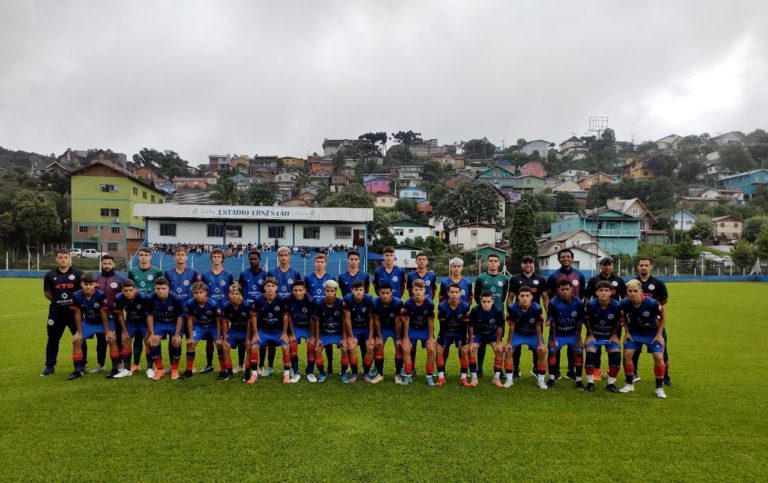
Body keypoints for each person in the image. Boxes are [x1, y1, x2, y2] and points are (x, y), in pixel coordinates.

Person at [67, 272, 123, 380]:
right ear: (81, 284)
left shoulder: (100, 295)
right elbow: (78, 314)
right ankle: (77, 370)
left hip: (104, 322)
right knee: (76, 341)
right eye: (86, 284)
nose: (88, 287)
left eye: (91, 284)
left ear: (95, 285)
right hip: (89, 322)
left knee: (111, 339)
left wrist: (107, 332)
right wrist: (79, 332)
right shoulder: (76, 295)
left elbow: (104, 313)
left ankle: (115, 369)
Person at [619, 279, 668, 398]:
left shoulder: (652, 303)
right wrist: (627, 331)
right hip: (635, 333)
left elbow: (663, 316)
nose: (632, 293)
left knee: (659, 357)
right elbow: (622, 316)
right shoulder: (625, 303)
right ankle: (629, 384)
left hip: (652, 334)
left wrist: (659, 334)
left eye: (635, 291)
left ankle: (659, 388)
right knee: (627, 354)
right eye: (630, 291)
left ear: (641, 291)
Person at [41, 249, 85, 377]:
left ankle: (81, 365)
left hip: (74, 313)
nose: (63, 260)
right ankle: (49, 366)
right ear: (56, 259)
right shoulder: (49, 275)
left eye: (66, 257)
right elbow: (47, 293)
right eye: (60, 257)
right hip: (56, 313)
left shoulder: (78, 274)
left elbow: (84, 291)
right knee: (53, 340)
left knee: (80, 338)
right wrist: (58, 301)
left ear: (70, 258)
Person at [582, 256, 626, 381]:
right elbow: (587, 296)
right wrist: (586, 309)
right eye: (604, 264)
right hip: (596, 315)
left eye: (609, 264)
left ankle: (610, 371)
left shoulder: (619, 280)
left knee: (613, 344)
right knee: (595, 346)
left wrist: (623, 313)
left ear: (613, 266)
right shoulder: (593, 280)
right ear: (600, 266)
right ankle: (596, 371)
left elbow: (624, 298)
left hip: (613, 318)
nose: (607, 267)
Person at [545, 248, 586, 380]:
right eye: (563, 257)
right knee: (555, 344)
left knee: (573, 346)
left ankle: (571, 371)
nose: (566, 259)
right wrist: (550, 314)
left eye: (568, 256)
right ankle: (555, 372)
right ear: (559, 259)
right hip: (558, 313)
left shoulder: (579, 275)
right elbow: (550, 296)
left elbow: (583, 295)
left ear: (572, 258)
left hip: (574, 313)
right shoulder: (553, 276)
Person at [508, 255, 549, 380]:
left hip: (535, 316)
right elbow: (510, 297)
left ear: (533, 265)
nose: (528, 265)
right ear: (522, 265)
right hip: (519, 315)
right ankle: (515, 370)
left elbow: (545, 298)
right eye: (525, 263)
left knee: (537, 344)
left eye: (530, 263)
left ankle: (537, 369)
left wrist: (548, 315)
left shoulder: (540, 279)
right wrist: (511, 312)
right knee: (516, 346)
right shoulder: (515, 279)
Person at [634, 257, 671, 386]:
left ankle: (665, 376)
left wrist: (654, 309)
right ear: (638, 267)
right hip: (636, 322)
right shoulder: (633, 283)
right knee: (634, 350)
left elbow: (665, 299)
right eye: (641, 265)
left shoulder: (658, 283)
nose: (644, 267)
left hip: (655, 323)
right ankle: (633, 374)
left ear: (651, 267)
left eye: (646, 265)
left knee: (662, 350)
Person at [128, 247, 164, 374]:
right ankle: (136, 364)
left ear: (150, 257)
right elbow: (130, 288)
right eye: (141, 255)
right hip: (137, 309)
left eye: (146, 255)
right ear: (138, 257)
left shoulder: (157, 271)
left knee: (150, 337)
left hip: (152, 309)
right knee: (138, 338)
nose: (143, 257)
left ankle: (151, 365)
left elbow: (161, 287)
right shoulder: (132, 271)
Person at [266, 246, 302, 375]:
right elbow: (268, 290)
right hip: (275, 309)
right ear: (278, 257)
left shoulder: (296, 272)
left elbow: (299, 291)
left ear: (289, 256)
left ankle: (292, 367)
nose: (283, 257)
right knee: (271, 340)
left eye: (286, 255)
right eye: (281, 255)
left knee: (291, 339)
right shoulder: (271, 272)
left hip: (291, 309)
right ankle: (270, 367)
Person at [472, 253, 509, 377]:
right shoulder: (481, 278)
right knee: (481, 343)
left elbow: (503, 296)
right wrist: (484, 307)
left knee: (497, 342)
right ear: (487, 263)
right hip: (482, 315)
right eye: (491, 260)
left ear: (499, 263)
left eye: (495, 261)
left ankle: (499, 369)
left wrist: (495, 307)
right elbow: (477, 295)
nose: (493, 263)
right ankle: (479, 368)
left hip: (497, 315)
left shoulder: (504, 279)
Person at [583, 281, 623, 392]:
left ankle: (611, 383)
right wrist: (590, 334)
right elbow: (586, 320)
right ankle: (590, 382)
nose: (603, 293)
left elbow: (620, 320)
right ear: (596, 292)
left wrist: (614, 334)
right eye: (601, 290)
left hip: (610, 337)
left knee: (616, 356)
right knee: (590, 354)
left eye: (606, 290)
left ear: (611, 292)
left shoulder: (617, 305)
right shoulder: (591, 305)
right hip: (595, 336)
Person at [505, 287, 548, 389]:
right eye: (522, 296)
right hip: (518, 333)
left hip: (532, 334)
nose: (525, 298)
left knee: (542, 351)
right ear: (518, 297)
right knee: (508, 351)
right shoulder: (512, 308)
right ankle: (509, 380)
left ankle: (541, 381)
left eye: (527, 296)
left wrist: (540, 343)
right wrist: (508, 342)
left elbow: (538, 326)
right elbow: (512, 326)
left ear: (531, 297)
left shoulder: (537, 308)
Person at [200, 248, 234, 374]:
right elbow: (203, 292)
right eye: (214, 256)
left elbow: (231, 292)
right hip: (209, 311)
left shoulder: (228, 275)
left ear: (222, 259)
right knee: (209, 339)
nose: (216, 258)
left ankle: (224, 366)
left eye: (218, 256)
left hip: (224, 311)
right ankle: (209, 364)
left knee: (220, 340)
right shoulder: (205, 275)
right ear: (211, 258)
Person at [546, 280, 585, 389]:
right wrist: (553, 338)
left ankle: (578, 380)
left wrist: (578, 339)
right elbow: (552, 321)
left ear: (571, 289)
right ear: (558, 290)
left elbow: (579, 322)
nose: (565, 292)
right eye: (562, 289)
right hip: (558, 334)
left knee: (579, 351)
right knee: (552, 350)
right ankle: (552, 378)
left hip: (572, 334)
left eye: (567, 289)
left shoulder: (578, 303)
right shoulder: (553, 303)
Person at [252, 277, 291, 383]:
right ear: (264, 287)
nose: (270, 288)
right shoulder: (258, 299)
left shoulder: (282, 300)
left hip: (278, 331)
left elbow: (285, 317)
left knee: (285, 347)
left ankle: (286, 375)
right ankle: (254, 374)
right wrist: (255, 333)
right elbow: (254, 317)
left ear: (277, 287)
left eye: (273, 286)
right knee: (255, 347)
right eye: (268, 286)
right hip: (263, 331)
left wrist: (284, 333)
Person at [146, 276, 185, 381]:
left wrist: (177, 335)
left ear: (168, 288)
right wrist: (151, 333)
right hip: (160, 323)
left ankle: (175, 370)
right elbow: (149, 316)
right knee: (154, 341)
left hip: (173, 323)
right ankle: (159, 370)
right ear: (155, 289)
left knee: (176, 342)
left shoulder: (176, 299)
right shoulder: (150, 298)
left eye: (163, 288)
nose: (160, 291)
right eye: (158, 288)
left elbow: (180, 317)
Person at [180, 281, 221, 379]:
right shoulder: (190, 303)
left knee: (220, 345)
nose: (198, 295)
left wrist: (219, 337)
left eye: (200, 292)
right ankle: (188, 371)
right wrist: (190, 337)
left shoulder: (213, 304)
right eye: (195, 293)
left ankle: (223, 371)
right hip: (200, 326)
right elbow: (189, 320)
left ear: (206, 293)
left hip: (213, 326)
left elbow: (219, 321)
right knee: (190, 344)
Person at [305, 253, 337, 375]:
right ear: (314, 263)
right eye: (317, 261)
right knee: (312, 340)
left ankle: (329, 365)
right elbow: (306, 293)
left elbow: (333, 293)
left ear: (325, 263)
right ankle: (310, 366)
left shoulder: (331, 277)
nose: (319, 264)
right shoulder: (308, 278)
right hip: (313, 312)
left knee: (328, 340)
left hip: (327, 312)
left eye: (322, 261)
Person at [113, 279, 151, 378]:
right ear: (122, 290)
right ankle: (127, 369)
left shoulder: (143, 297)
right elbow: (120, 315)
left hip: (144, 322)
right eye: (126, 290)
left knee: (148, 342)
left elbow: (149, 315)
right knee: (126, 340)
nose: (128, 293)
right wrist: (124, 331)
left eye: (131, 290)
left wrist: (150, 331)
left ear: (136, 289)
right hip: (131, 322)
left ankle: (150, 368)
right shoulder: (118, 298)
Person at [236, 250, 267, 373]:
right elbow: (239, 290)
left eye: (255, 259)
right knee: (244, 337)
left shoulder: (265, 275)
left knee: (261, 337)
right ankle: (240, 364)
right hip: (246, 309)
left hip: (261, 310)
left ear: (259, 259)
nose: (253, 261)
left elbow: (267, 291)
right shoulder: (244, 274)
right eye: (251, 259)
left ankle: (261, 365)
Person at [436, 284, 472, 387]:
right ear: (448, 293)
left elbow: (465, 325)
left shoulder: (465, 306)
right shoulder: (442, 306)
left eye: (456, 292)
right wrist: (441, 341)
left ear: (460, 293)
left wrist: (464, 342)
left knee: (464, 351)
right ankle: (441, 377)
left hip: (459, 333)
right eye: (452, 292)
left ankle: (463, 378)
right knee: (439, 350)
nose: (454, 295)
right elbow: (442, 326)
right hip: (446, 332)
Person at [401, 279, 436, 386]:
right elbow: (406, 321)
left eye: (421, 289)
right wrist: (406, 337)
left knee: (431, 348)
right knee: (406, 348)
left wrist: (430, 338)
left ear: (424, 290)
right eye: (416, 289)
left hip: (425, 330)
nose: (418, 292)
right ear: (412, 290)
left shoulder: (429, 303)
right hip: (412, 329)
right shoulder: (408, 303)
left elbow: (431, 321)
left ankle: (429, 376)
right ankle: (408, 375)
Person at [94, 254, 124, 374]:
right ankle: (100, 364)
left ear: (113, 265)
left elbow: (124, 296)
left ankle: (119, 363)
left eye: (109, 264)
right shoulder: (96, 280)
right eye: (105, 263)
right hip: (100, 315)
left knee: (117, 339)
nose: (107, 266)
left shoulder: (120, 280)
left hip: (116, 314)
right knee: (100, 340)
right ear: (101, 264)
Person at [370, 283, 404, 384]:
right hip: (382, 327)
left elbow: (398, 322)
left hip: (394, 328)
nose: (385, 295)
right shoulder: (375, 302)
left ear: (391, 293)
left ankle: (398, 374)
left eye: (387, 293)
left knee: (399, 346)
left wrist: (398, 338)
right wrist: (379, 337)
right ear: (379, 293)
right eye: (382, 293)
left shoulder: (398, 303)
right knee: (379, 345)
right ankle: (380, 374)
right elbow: (375, 320)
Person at [218, 283, 253, 381]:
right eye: (232, 293)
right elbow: (224, 323)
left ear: (240, 295)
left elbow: (250, 323)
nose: (234, 295)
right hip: (234, 330)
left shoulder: (246, 305)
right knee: (225, 347)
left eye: (236, 293)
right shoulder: (225, 306)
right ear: (228, 294)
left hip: (246, 331)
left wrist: (248, 338)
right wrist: (224, 339)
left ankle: (247, 374)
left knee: (249, 347)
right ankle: (229, 373)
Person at [313, 280, 346, 383]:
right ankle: (322, 374)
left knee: (345, 349)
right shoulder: (319, 304)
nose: (329, 293)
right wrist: (318, 339)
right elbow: (317, 322)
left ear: (336, 291)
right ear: (324, 291)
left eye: (332, 291)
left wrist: (344, 339)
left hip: (338, 333)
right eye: (327, 291)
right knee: (317, 350)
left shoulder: (341, 303)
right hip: (325, 333)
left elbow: (345, 321)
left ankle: (344, 374)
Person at [469, 292, 504, 387]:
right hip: (478, 334)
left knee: (499, 351)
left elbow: (500, 327)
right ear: (480, 301)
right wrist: (471, 342)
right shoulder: (475, 310)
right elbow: (471, 326)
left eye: (488, 301)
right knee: (471, 350)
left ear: (492, 301)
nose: (486, 304)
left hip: (492, 334)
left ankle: (496, 378)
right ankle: (474, 378)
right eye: (484, 301)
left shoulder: (498, 310)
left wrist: (498, 342)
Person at [342, 280, 374, 383]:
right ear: (352, 290)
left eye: (361, 290)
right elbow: (347, 319)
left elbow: (371, 319)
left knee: (370, 347)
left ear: (364, 290)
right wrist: (350, 336)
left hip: (365, 329)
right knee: (351, 347)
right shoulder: (347, 299)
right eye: (356, 290)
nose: (359, 292)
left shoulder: (369, 299)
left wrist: (370, 337)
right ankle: (355, 373)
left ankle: (366, 372)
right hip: (354, 329)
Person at [284, 280, 316, 382]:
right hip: (296, 327)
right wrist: (292, 334)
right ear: (292, 291)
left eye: (300, 290)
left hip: (307, 327)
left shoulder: (310, 301)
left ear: (305, 290)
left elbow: (312, 319)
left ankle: (310, 372)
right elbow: (288, 318)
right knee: (293, 344)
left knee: (311, 345)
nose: (298, 293)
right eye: (295, 290)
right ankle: (296, 372)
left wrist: (311, 336)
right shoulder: (288, 299)